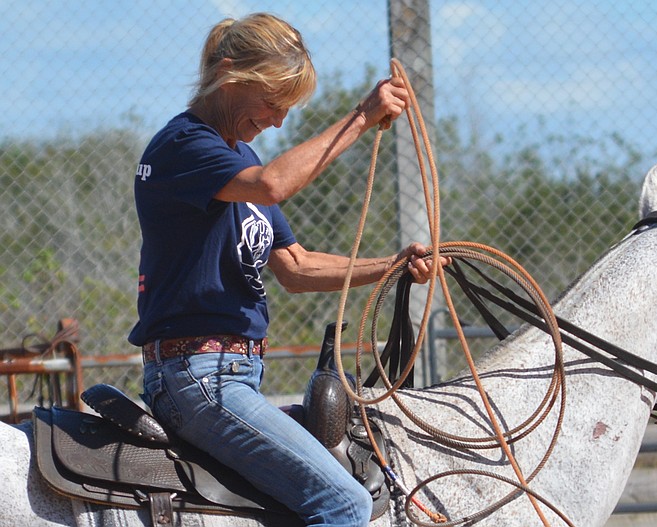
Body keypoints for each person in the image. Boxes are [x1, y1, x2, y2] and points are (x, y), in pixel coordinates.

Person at [128, 12, 440, 527]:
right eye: (272, 103)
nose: (277, 120)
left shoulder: (238, 157)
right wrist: (361, 117)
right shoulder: (185, 147)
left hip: (235, 377)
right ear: (229, 75)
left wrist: (394, 266)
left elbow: (295, 267)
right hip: (199, 378)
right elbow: (274, 184)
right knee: (344, 503)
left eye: (286, 109)